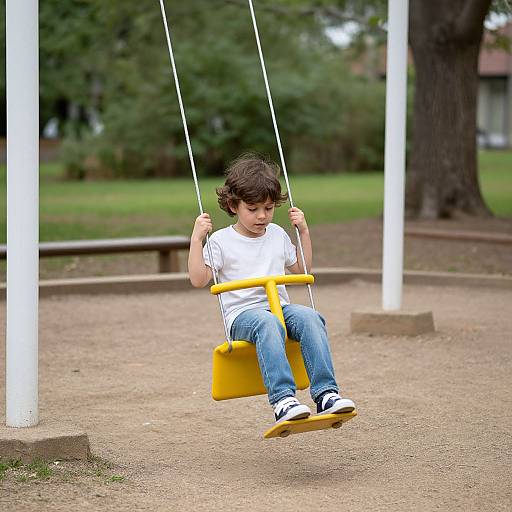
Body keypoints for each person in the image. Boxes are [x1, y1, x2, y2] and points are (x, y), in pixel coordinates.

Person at [188, 154, 355, 424]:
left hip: (280, 308)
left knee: (311, 317)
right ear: (233, 205)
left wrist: (304, 233)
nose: (262, 216)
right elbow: (198, 279)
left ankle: (326, 394)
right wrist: (197, 239)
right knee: (267, 323)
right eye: (253, 209)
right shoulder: (220, 241)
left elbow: (302, 270)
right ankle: (283, 400)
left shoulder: (277, 234)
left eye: (268, 208)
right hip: (243, 315)